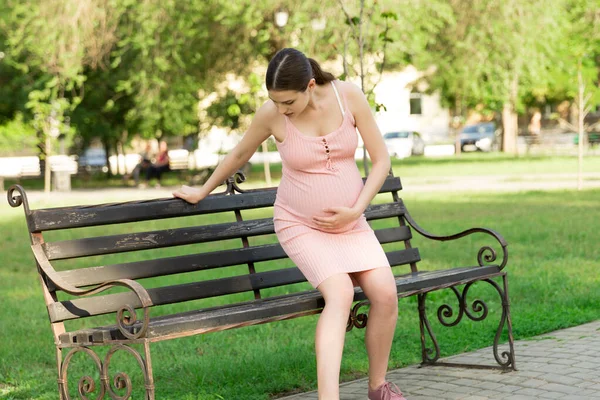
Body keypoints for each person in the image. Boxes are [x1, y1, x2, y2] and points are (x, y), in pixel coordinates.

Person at [173, 48, 404, 400]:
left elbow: (381, 159)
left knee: (386, 294)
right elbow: (239, 154)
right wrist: (202, 190)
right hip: (300, 225)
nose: (280, 109)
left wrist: (356, 210)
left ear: (310, 86)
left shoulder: (348, 97)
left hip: (351, 222)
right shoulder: (273, 115)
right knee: (340, 294)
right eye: (274, 101)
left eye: (287, 102)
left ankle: (377, 386)